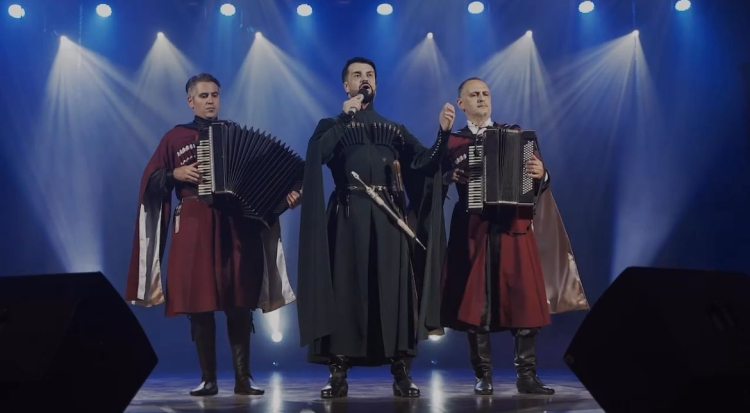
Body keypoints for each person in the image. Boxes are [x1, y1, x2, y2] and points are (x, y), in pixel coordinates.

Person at [125, 73, 300, 397]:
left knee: (239, 301)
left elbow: (262, 180)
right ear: (190, 101)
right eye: (203, 95)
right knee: (199, 303)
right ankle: (208, 379)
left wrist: (285, 196)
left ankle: (243, 379)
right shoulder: (175, 137)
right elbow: (150, 180)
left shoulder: (232, 132)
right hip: (194, 224)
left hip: (234, 223)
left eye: (214, 95)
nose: (210, 100)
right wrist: (174, 173)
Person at [297, 57, 453, 399]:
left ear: (377, 84)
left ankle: (401, 372)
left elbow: (424, 163)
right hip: (347, 216)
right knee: (345, 289)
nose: (364, 79)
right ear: (346, 86)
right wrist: (344, 118)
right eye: (357, 75)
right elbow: (317, 156)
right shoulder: (332, 124)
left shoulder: (394, 129)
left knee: (393, 290)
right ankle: (338, 372)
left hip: (388, 218)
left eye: (369, 75)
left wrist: (443, 134)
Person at [440, 77, 589, 395]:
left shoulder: (517, 135)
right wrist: (448, 176)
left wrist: (542, 174)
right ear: (461, 103)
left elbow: (538, 179)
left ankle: (527, 375)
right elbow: (434, 179)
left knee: (524, 300)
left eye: (485, 93)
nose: (482, 98)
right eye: (474, 95)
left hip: (514, 226)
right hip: (473, 228)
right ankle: (483, 375)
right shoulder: (452, 142)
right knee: (475, 304)